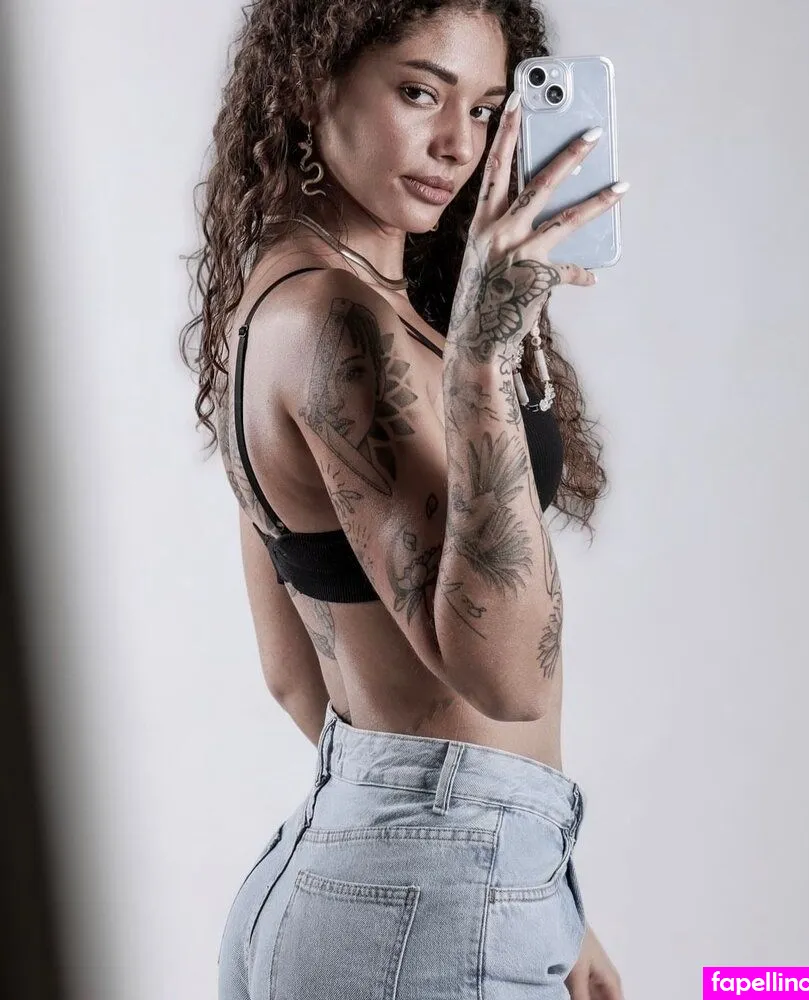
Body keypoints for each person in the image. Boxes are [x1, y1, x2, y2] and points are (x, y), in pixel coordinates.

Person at [180, 1, 630, 996]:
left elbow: (293, 674)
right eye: (421, 92)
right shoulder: (337, 320)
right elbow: (507, 681)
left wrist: (532, 883)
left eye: (485, 109)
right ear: (313, 82)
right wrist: (482, 358)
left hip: (396, 882)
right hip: (425, 908)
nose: (457, 145)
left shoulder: (287, 298)